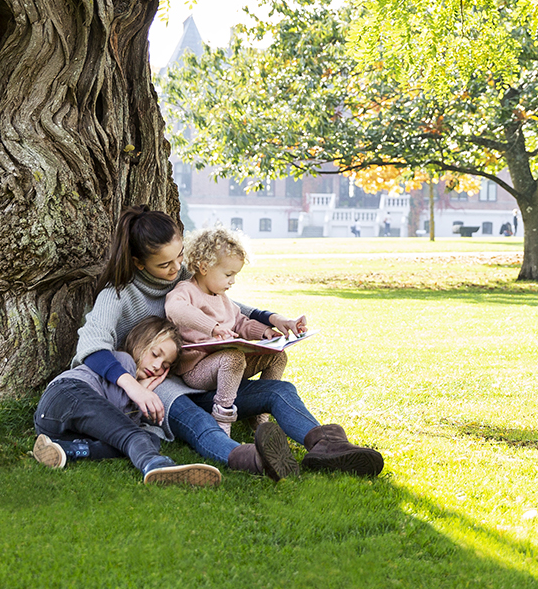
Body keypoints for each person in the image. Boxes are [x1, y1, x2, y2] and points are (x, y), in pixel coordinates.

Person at [50, 205, 384, 479]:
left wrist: (273, 320)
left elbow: (230, 308)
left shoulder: (184, 277)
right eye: (165, 264)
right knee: (199, 423)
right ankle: (252, 459)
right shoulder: (118, 296)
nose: (177, 268)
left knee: (280, 391)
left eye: (180, 257)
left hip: (212, 375)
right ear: (139, 263)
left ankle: (328, 447)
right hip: (163, 388)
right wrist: (134, 389)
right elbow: (91, 347)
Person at [31, 316, 222, 486]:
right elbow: (118, 415)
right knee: (133, 436)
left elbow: (114, 425)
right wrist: (142, 389)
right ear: (139, 343)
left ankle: (67, 450)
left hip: (52, 426)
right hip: (68, 394)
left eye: (165, 365)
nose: (157, 366)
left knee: (147, 438)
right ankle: (154, 464)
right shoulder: (123, 361)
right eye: (155, 354)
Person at [166, 227, 286, 432]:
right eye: (229, 274)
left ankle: (259, 413)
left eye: (235, 275)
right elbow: (174, 309)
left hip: (228, 366)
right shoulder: (186, 290)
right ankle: (223, 420)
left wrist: (264, 332)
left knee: (277, 356)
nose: (233, 281)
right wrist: (212, 328)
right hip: (197, 369)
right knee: (233, 358)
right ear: (204, 267)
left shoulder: (222, 297)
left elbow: (239, 321)